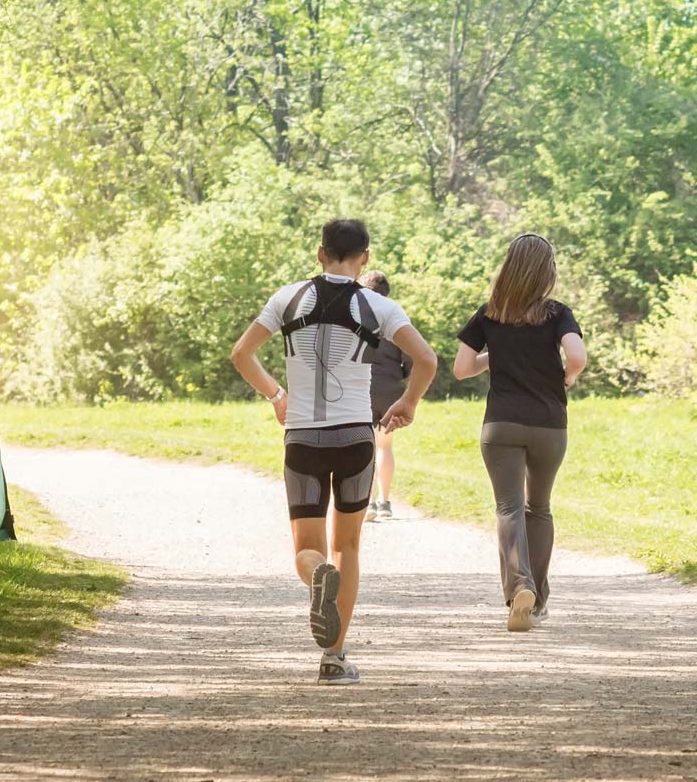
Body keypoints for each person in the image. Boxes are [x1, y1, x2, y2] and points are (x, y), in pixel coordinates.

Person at [230, 219, 437, 684]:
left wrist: (276, 395)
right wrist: (407, 403)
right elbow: (427, 359)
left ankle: (317, 575)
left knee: (309, 550)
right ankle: (334, 658)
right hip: (355, 439)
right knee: (348, 546)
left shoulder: (286, 298)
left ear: (320, 253)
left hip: (303, 437)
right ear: (365, 258)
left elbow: (241, 354)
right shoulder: (379, 305)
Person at [453, 233, 586, 632]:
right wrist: (568, 375)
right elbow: (577, 355)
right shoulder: (557, 313)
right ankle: (538, 601)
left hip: (501, 425)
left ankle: (519, 586)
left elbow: (461, 369)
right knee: (539, 508)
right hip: (548, 424)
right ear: (547, 272)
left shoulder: (488, 314)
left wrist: (496, 355)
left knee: (508, 508)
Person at [360, 270, 412, 522]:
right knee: (385, 445)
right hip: (390, 388)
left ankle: (367, 503)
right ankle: (384, 502)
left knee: (364, 446)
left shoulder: (356, 315)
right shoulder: (395, 315)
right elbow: (411, 355)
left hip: (361, 388)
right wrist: (401, 374)